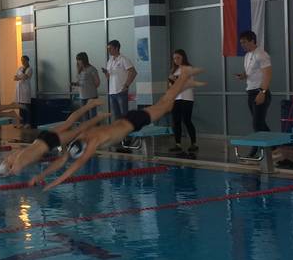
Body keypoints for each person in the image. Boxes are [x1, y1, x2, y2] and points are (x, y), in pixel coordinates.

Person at [37, 67, 205, 191]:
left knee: (166, 105)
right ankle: (184, 84)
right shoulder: (83, 134)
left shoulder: (93, 142)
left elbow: (75, 165)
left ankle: (184, 76)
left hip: (134, 121)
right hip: (127, 119)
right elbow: (63, 159)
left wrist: (53, 183)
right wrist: (43, 176)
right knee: (164, 105)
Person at [6, 99, 107, 177]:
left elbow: (16, 173)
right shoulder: (15, 156)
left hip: (49, 142)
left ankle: (100, 117)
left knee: (78, 130)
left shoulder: (17, 164)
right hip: (41, 137)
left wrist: (9, 173)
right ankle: (90, 105)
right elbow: (7, 162)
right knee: (68, 122)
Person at [235, 30, 272, 157]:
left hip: (260, 92)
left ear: (252, 41)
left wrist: (262, 92)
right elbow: (252, 73)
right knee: (260, 124)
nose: (242, 45)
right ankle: (274, 148)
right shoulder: (247, 56)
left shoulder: (261, 54)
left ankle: (256, 150)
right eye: (241, 43)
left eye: (244, 42)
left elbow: (268, 75)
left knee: (257, 124)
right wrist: (244, 76)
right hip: (251, 92)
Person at [168, 49, 198, 156]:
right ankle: (178, 143)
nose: (176, 60)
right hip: (176, 98)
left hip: (186, 98)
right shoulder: (174, 70)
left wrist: (174, 79)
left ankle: (194, 143)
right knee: (176, 121)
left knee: (186, 120)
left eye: (178, 58)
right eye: (174, 58)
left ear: (183, 57)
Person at [103, 40, 137, 121]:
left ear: (116, 48)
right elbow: (108, 77)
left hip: (121, 91)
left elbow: (133, 72)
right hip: (112, 92)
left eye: (110, 48)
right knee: (116, 116)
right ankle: (118, 129)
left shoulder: (123, 59)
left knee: (124, 115)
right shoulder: (110, 61)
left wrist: (127, 85)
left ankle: (127, 129)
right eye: (108, 49)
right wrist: (106, 73)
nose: (109, 51)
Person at [71, 52, 100, 121]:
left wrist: (91, 88)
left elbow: (97, 82)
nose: (78, 61)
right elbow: (80, 81)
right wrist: (75, 84)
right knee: (84, 115)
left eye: (79, 59)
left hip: (91, 96)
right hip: (82, 96)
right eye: (77, 60)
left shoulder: (92, 69)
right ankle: (86, 127)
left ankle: (93, 127)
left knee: (92, 115)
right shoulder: (80, 70)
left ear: (84, 60)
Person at [14, 55, 33, 128]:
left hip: (25, 90)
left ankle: (28, 123)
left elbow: (25, 77)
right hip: (19, 90)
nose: (22, 62)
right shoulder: (20, 68)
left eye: (24, 60)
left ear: (27, 60)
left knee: (26, 107)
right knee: (21, 107)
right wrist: (20, 76)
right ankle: (22, 122)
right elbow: (15, 78)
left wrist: (19, 76)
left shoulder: (30, 69)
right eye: (21, 60)